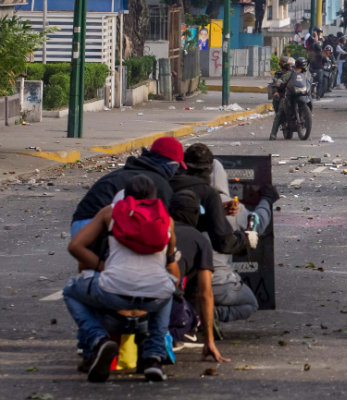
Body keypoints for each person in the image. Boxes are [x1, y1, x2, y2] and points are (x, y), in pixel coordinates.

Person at [63, 175, 178, 382]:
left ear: (126, 195)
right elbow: (172, 265)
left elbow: (75, 246)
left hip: (113, 293)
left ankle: (98, 339)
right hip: (154, 297)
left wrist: (102, 266)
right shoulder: (166, 220)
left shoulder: (111, 213)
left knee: (71, 290)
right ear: (154, 196)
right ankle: (154, 357)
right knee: (167, 290)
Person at [71, 136, 186, 237]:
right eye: (177, 166)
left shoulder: (131, 170)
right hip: (93, 227)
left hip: (80, 224)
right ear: (170, 164)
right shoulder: (158, 183)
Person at [208, 159, 278, 324]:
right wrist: (266, 201)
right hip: (218, 281)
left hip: (185, 281)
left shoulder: (184, 203)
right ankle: (215, 315)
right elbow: (256, 224)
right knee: (251, 303)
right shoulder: (231, 207)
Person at [168, 190, 228, 362]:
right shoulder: (199, 240)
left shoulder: (155, 228)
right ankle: (165, 339)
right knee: (187, 318)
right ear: (195, 214)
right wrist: (209, 340)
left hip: (122, 296)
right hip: (165, 303)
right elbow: (205, 293)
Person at [170, 143, 257, 257]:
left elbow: (185, 219)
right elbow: (223, 242)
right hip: (188, 257)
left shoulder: (166, 184)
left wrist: (215, 212)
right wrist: (245, 239)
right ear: (209, 169)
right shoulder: (209, 194)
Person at [269, 57, 294, 140]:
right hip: (283, 96)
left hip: (292, 94)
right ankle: (273, 134)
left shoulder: (293, 73)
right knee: (279, 112)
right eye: (288, 65)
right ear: (284, 65)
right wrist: (275, 92)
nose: (290, 66)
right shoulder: (278, 74)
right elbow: (274, 84)